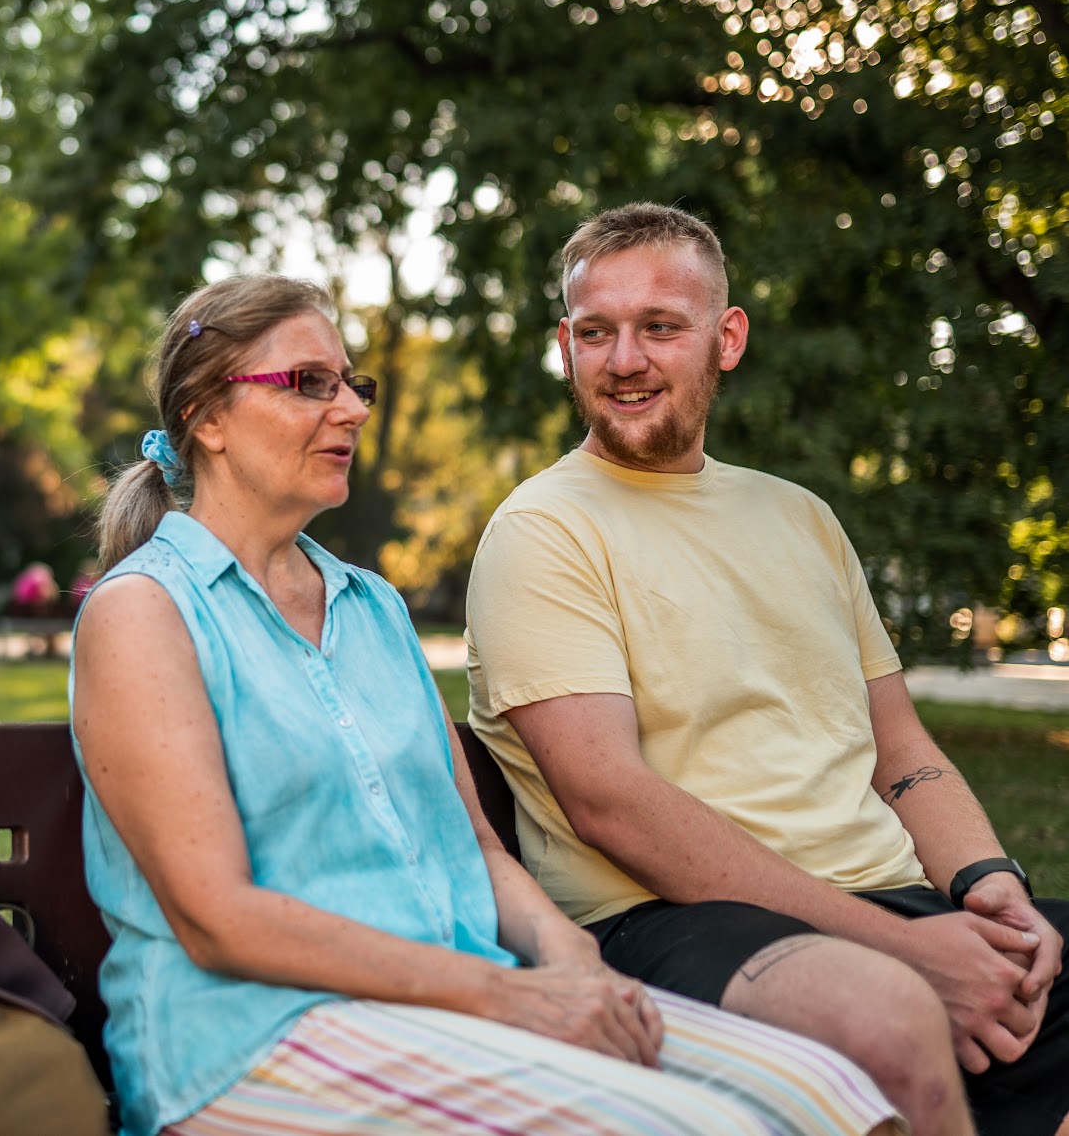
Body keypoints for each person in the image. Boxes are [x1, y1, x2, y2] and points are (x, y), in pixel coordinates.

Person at [72, 275, 900, 1136]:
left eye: (353, 383)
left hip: (454, 1001)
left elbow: (470, 843)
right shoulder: (146, 612)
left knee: (828, 1097)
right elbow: (219, 919)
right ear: (206, 417)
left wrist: (570, 959)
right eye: (307, 384)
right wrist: (509, 994)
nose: (351, 409)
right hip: (249, 1045)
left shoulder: (370, 607)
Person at [464, 202, 1069, 1136]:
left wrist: (990, 889)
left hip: (889, 895)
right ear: (565, 345)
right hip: (663, 919)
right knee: (882, 1013)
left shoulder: (801, 518)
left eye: (659, 326)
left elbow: (899, 747)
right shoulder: (543, 531)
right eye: (596, 332)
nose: (624, 359)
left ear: (726, 337)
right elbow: (608, 801)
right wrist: (913, 950)